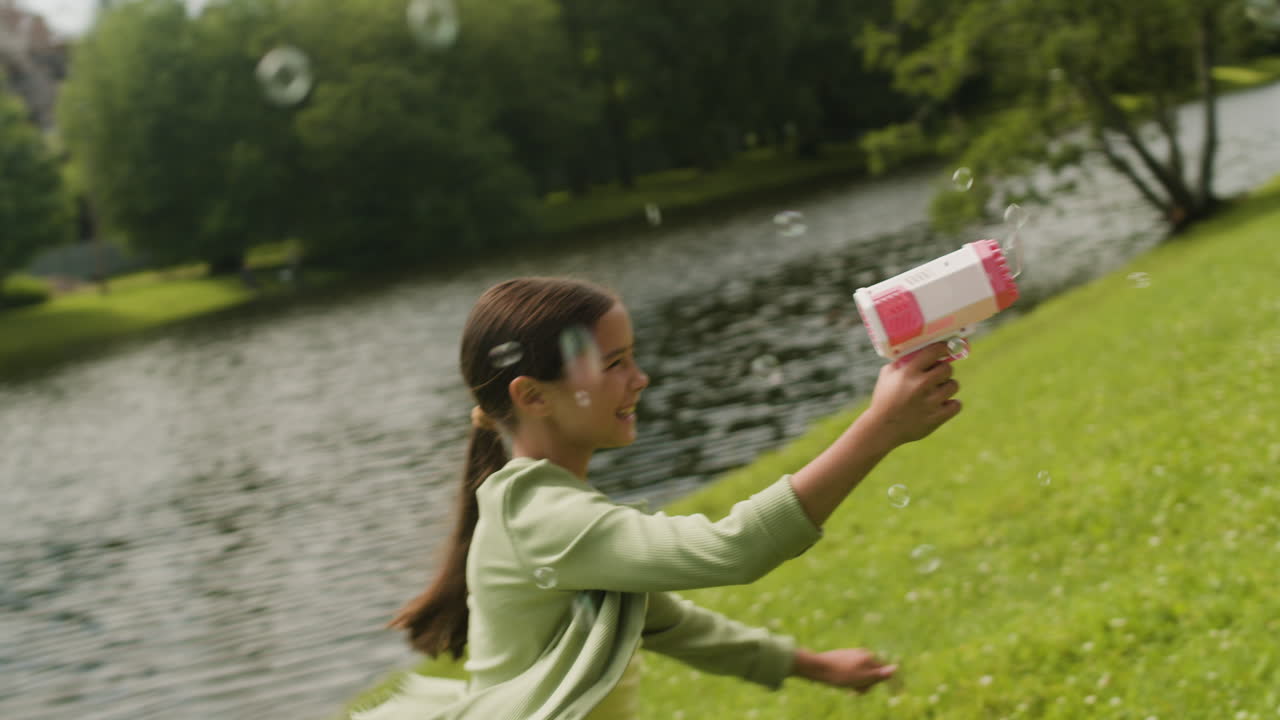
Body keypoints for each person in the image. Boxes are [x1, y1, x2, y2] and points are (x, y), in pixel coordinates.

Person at [355, 276, 963, 720]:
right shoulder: (541, 517)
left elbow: (669, 623)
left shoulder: (547, 506)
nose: (640, 379)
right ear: (534, 397)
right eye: (614, 363)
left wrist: (815, 666)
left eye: (632, 358)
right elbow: (733, 549)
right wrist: (879, 427)